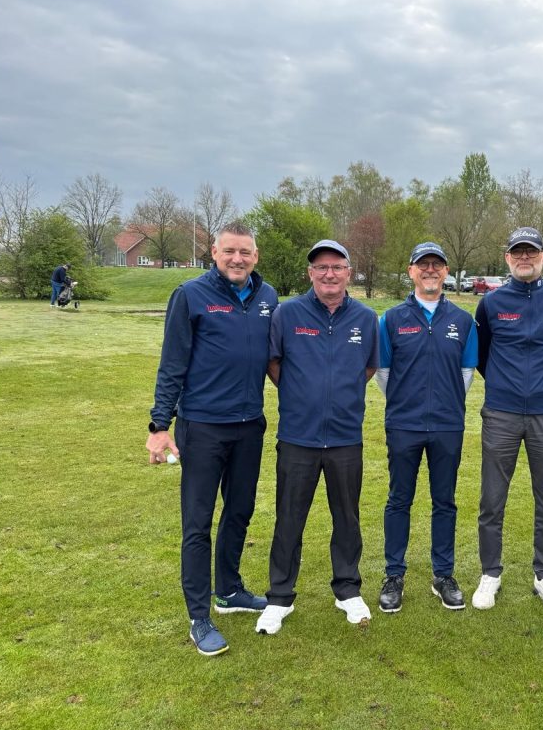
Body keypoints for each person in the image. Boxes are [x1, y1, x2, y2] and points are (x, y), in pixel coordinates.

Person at [146, 223, 278, 657]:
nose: (237, 259)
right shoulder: (191, 295)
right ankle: (199, 616)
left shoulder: (267, 297)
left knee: (239, 511)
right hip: (202, 427)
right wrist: (159, 426)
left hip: (249, 426)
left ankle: (230, 590)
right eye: (229, 251)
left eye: (245, 252)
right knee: (198, 522)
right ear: (214, 253)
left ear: (255, 256)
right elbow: (172, 364)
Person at [256, 239, 379, 635]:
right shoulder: (288, 313)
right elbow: (273, 363)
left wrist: (338, 396)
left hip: (345, 437)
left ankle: (347, 590)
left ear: (348, 273)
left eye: (337, 267)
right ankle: (279, 596)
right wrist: (301, 395)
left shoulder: (365, 318)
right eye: (321, 267)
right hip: (298, 437)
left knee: (347, 518)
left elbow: (368, 368)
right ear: (310, 273)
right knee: (289, 519)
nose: (329, 274)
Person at [472, 227, 543, 615]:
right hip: (501, 413)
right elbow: (482, 355)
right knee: (492, 499)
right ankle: (490, 573)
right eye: (517, 252)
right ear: (507, 258)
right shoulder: (491, 303)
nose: (524, 258)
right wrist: (506, 385)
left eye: (531, 252)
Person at [374, 242, 478, 613]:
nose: (430, 270)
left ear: (446, 271)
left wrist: (445, 402)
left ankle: (443, 575)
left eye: (437, 264)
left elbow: (466, 372)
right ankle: (393, 575)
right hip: (404, 424)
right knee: (399, 499)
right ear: (411, 271)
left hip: (448, 425)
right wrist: (407, 401)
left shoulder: (464, 321)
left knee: (444, 500)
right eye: (423, 264)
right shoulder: (390, 319)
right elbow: (383, 372)